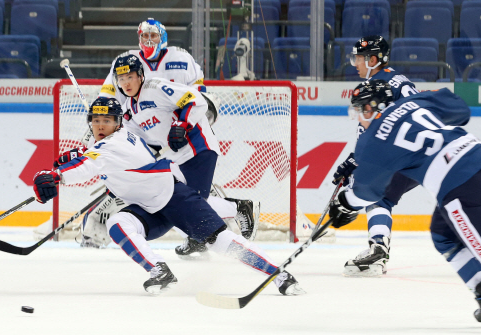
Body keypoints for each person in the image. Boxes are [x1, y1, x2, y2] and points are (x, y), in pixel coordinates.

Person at [32, 96, 305, 295]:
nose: (100, 125)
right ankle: (159, 271)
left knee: (223, 243)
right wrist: (71, 159)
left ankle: (279, 274)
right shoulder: (108, 142)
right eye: (96, 120)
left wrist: (57, 175)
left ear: (118, 123)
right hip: (149, 208)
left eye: (107, 120)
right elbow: (91, 156)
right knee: (118, 224)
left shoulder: (112, 145)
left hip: (176, 199)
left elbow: (90, 163)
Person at [69, 36, 256, 259]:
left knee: (194, 202)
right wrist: (114, 171)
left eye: (130, 77)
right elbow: (131, 145)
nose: (126, 83)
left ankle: (238, 209)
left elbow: (195, 99)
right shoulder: (129, 110)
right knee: (173, 197)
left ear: (140, 76)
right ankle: (207, 230)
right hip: (176, 155)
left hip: (198, 147)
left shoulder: (156, 87)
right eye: (121, 79)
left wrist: (181, 124)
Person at [329, 79, 481, 324]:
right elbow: (460, 110)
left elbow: (369, 192)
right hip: (479, 157)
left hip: (458, 187)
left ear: (372, 107)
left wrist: (345, 204)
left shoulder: (373, 138)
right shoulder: (414, 101)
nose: (358, 118)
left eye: (360, 110)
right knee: (442, 234)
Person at [331, 35, 421, 276]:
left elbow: (376, 131)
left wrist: (356, 161)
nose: (355, 63)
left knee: (376, 194)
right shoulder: (395, 79)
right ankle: (378, 247)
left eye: (358, 58)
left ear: (373, 59)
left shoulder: (379, 86)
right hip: (422, 150)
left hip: (405, 153)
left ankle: (378, 248)